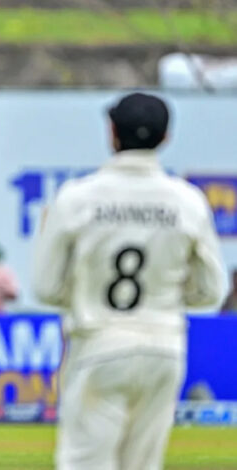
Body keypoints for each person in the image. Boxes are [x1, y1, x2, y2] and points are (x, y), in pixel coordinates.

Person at [32, 92, 225, 470]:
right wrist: (167, 292)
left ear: (112, 132)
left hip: (99, 342)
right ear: (166, 137)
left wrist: (86, 292)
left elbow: (46, 287)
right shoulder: (187, 201)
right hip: (164, 347)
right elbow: (210, 292)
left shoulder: (77, 198)